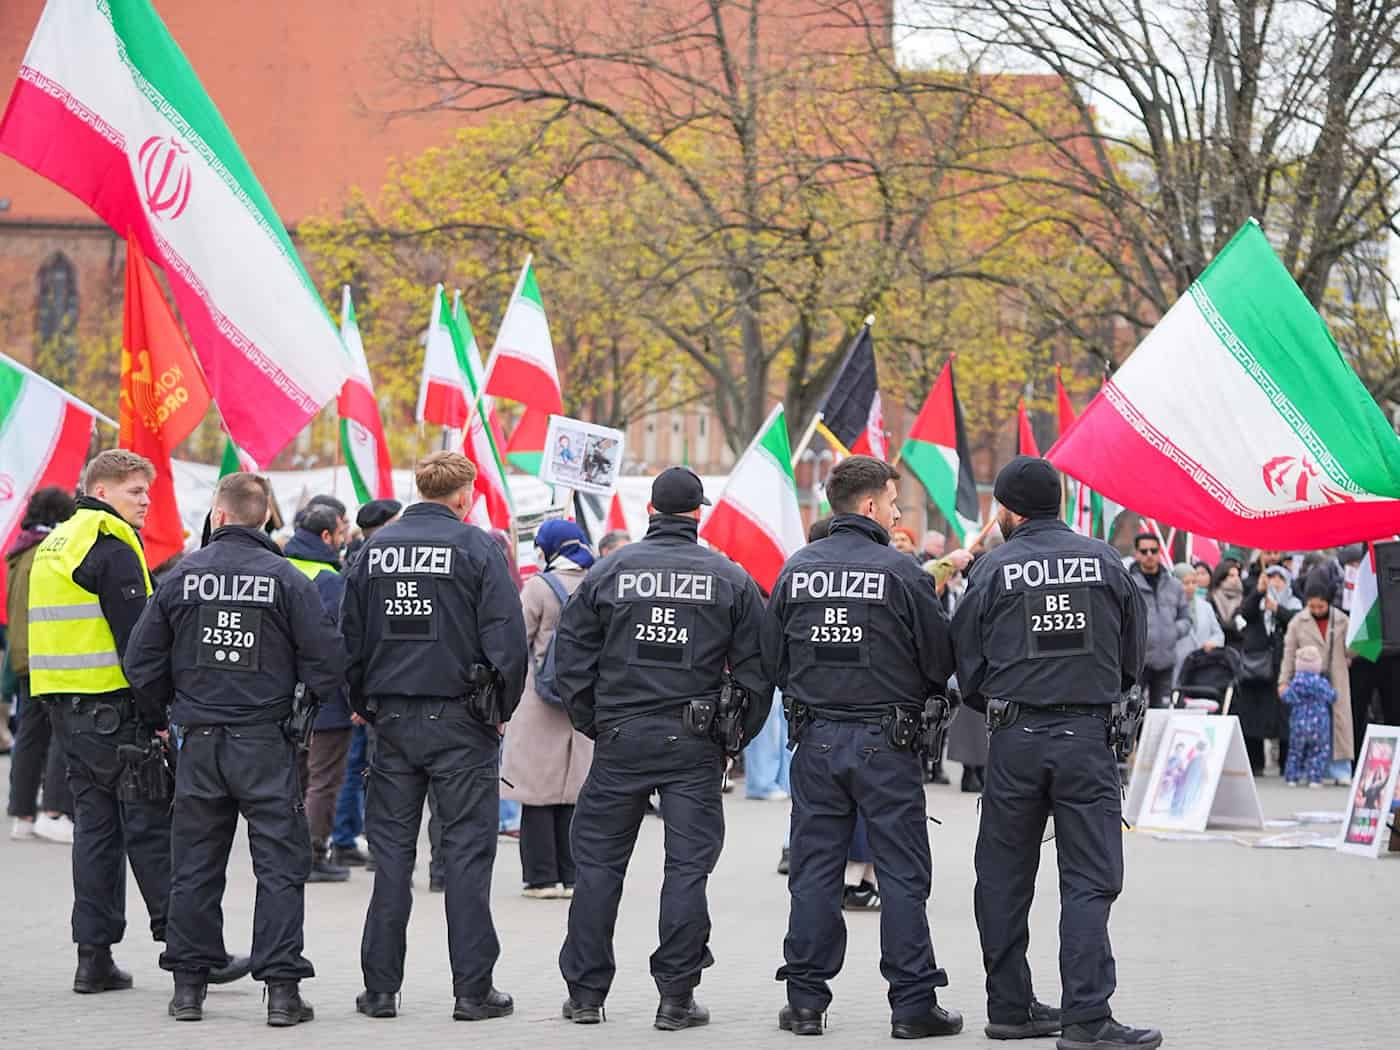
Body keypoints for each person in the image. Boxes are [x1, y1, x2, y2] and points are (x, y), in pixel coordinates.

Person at [952, 456, 1159, 1049]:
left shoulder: (992, 568)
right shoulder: (1106, 563)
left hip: (1014, 741)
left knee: (1002, 878)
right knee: (1090, 880)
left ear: (1009, 511)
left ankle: (1010, 1008)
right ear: (1061, 502)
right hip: (1086, 740)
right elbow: (1132, 655)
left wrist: (1001, 695)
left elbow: (965, 657)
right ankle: (1087, 1017)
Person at [554, 466, 771, 1030]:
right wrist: (734, 740)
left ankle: (585, 995)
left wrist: (593, 722)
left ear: (650, 509)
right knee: (686, 871)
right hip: (694, 743)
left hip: (621, 737)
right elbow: (757, 672)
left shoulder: (609, 570)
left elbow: (570, 657)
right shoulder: (730, 577)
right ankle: (676, 998)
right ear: (698, 513)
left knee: (598, 867)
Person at [124, 472, 343, 1025]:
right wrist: (302, 704)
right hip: (266, 742)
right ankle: (284, 994)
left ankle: (188, 989)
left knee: (195, 864)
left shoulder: (181, 576)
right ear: (266, 516)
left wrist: (167, 714)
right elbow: (328, 659)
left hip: (198, 742)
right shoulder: (286, 578)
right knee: (279, 864)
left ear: (218, 516)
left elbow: (140, 662)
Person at [763, 455, 961, 1040]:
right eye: (895, 503)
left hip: (817, 741)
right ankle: (912, 1004)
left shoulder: (797, 570)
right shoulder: (902, 574)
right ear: (870, 506)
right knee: (901, 874)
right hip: (886, 742)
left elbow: (772, 658)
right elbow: (939, 661)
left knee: (814, 872)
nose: (898, 513)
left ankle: (804, 1002)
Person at [342, 451, 527, 1022]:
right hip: (461, 722)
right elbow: (508, 640)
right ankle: (472, 992)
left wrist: (362, 705)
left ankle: (379, 990)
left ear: (418, 488)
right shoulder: (478, 549)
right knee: (467, 857)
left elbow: (348, 637)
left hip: (391, 722)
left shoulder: (373, 550)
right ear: (465, 494)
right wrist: (498, 710)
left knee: (392, 857)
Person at [29, 452, 177, 993]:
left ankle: (93, 958)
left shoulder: (57, 541)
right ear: (103, 489)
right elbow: (139, 647)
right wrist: (160, 716)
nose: (145, 502)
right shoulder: (110, 545)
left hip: (66, 714)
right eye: (136, 491)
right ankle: (188, 949)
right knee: (150, 829)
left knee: (96, 834)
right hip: (115, 715)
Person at [501, 519, 597, 899]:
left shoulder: (539, 587)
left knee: (537, 790)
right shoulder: (596, 582)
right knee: (574, 788)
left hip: (539, 698)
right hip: (583, 698)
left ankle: (542, 878)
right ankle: (572, 875)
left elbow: (515, 639)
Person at [282, 499, 355, 883]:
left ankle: (288, 849)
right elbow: (338, 644)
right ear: (326, 536)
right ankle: (312, 852)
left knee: (293, 778)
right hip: (324, 699)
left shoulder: (280, 568)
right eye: (341, 533)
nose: (343, 540)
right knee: (324, 779)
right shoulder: (330, 580)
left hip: (281, 696)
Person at [330, 499, 402, 870]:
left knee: (357, 767)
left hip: (363, 683)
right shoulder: (371, 563)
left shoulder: (356, 560)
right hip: (370, 685)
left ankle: (348, 838)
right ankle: (367, 843)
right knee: (371, 769)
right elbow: (355, 631)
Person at [7, 486, 77, 843]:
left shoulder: (21, 551)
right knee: (60, 733)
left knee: (30, 738)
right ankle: (53, 811)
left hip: (23, 655)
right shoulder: (47, 553)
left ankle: (21, 813)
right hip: (47, 655)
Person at [1279, 573, 1353, 784]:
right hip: (1305, 680)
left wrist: (1356, 646)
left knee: (1340, 723)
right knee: (1307, 728)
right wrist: (1284, 681)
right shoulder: (1297, 622)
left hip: (1335, 675)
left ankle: (1341, 770)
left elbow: (1351, 651)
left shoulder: (1342, 620)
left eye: (1321, 606)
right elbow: (1289, 653)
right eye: (1312, 606)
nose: (1317, 610)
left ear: (1328, 602)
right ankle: (1306, 770)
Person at [1127, 531, 1188, 708]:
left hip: (1166, 662)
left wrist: (1174, 631)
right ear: (1136, 554)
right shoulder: (1129, 584)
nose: (1149, 555)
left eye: (1153, 551)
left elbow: (1186, 617)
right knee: (1132, 713)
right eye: (1144, 551)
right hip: (1138, 663)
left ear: (1159, 552)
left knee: (1161, 714)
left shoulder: (1174, 585)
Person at [1280, 645, 1334, 788]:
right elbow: (1332, 696)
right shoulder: (1321, 683)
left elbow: (1286, 697)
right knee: (1319, 750)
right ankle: (1314, 778)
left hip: (1298, 722)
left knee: (1295, 751)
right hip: (1320, 723)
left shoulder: (1295, 683)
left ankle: (1292, 777)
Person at [1174, 562, 1224, 682]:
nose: (1191, 587)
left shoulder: (1206, 606)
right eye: (1185, 583)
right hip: (1177, 667)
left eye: (1194, 582)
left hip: (1202, 666)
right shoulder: (1170, 607)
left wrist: (1213, 642)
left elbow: (1218, 634)